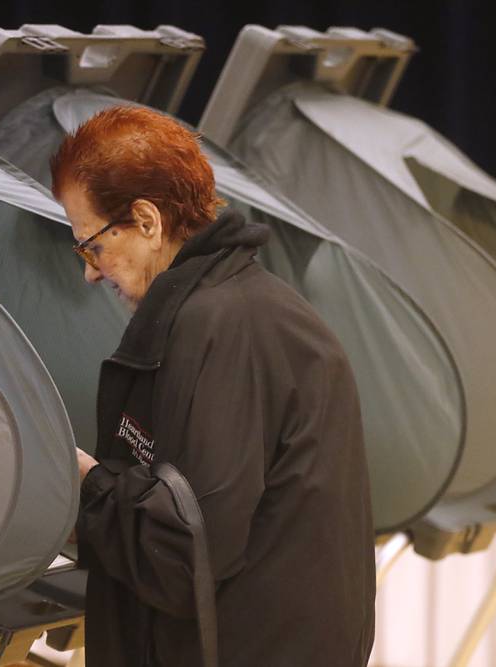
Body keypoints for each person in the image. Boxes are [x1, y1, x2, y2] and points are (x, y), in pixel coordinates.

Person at [50, 105, 375, 667]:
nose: (90, 272)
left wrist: (85, 484)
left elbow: (186, 553)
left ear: (147, 222)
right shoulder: (245, 304)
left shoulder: (218, 328)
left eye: (93, 245)